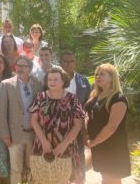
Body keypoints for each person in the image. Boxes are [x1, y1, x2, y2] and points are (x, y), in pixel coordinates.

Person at [29, 67, 84, 184]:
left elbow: (78, 125)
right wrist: (43, 141)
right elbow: (33, 121)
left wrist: (63, 145)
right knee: (43, 178)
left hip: (66, 145)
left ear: (63, 81)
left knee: (63, 179)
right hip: (43, 146)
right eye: (49, 79)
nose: (52, 82)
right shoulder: (40, 97)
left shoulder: (72, 99)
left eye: (55, 79)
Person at [0, 55, 42, 184]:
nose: (20, 68)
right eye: (18, 66)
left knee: (32, 168)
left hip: (33, 135)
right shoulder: (6, 84)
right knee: (16, 169)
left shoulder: (37, 84)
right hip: (15, 134)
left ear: (30, 68)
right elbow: (1, 112)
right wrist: (5, 134)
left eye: (24, 66)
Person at [86, 63, 131, 184]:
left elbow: (112, 127)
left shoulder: (118, 98)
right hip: (99, 145)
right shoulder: (95, 97)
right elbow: (88, 117)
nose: (97, 77)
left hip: (113, 146)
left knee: (112, 178)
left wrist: (94, 142)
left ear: (112, 77)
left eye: (102, 74)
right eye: (96, 74)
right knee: (105, 177)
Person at [60, 50, 91, 181]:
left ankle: (80, 180)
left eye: (71, 61)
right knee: (62, 154)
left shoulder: (83, 80)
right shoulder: (55, 78)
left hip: (78, 126)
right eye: (65, 61)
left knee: (80, 154)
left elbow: (89, 103)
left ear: (75, 62)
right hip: (59, 125)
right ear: (61, 63)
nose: (68, 64)